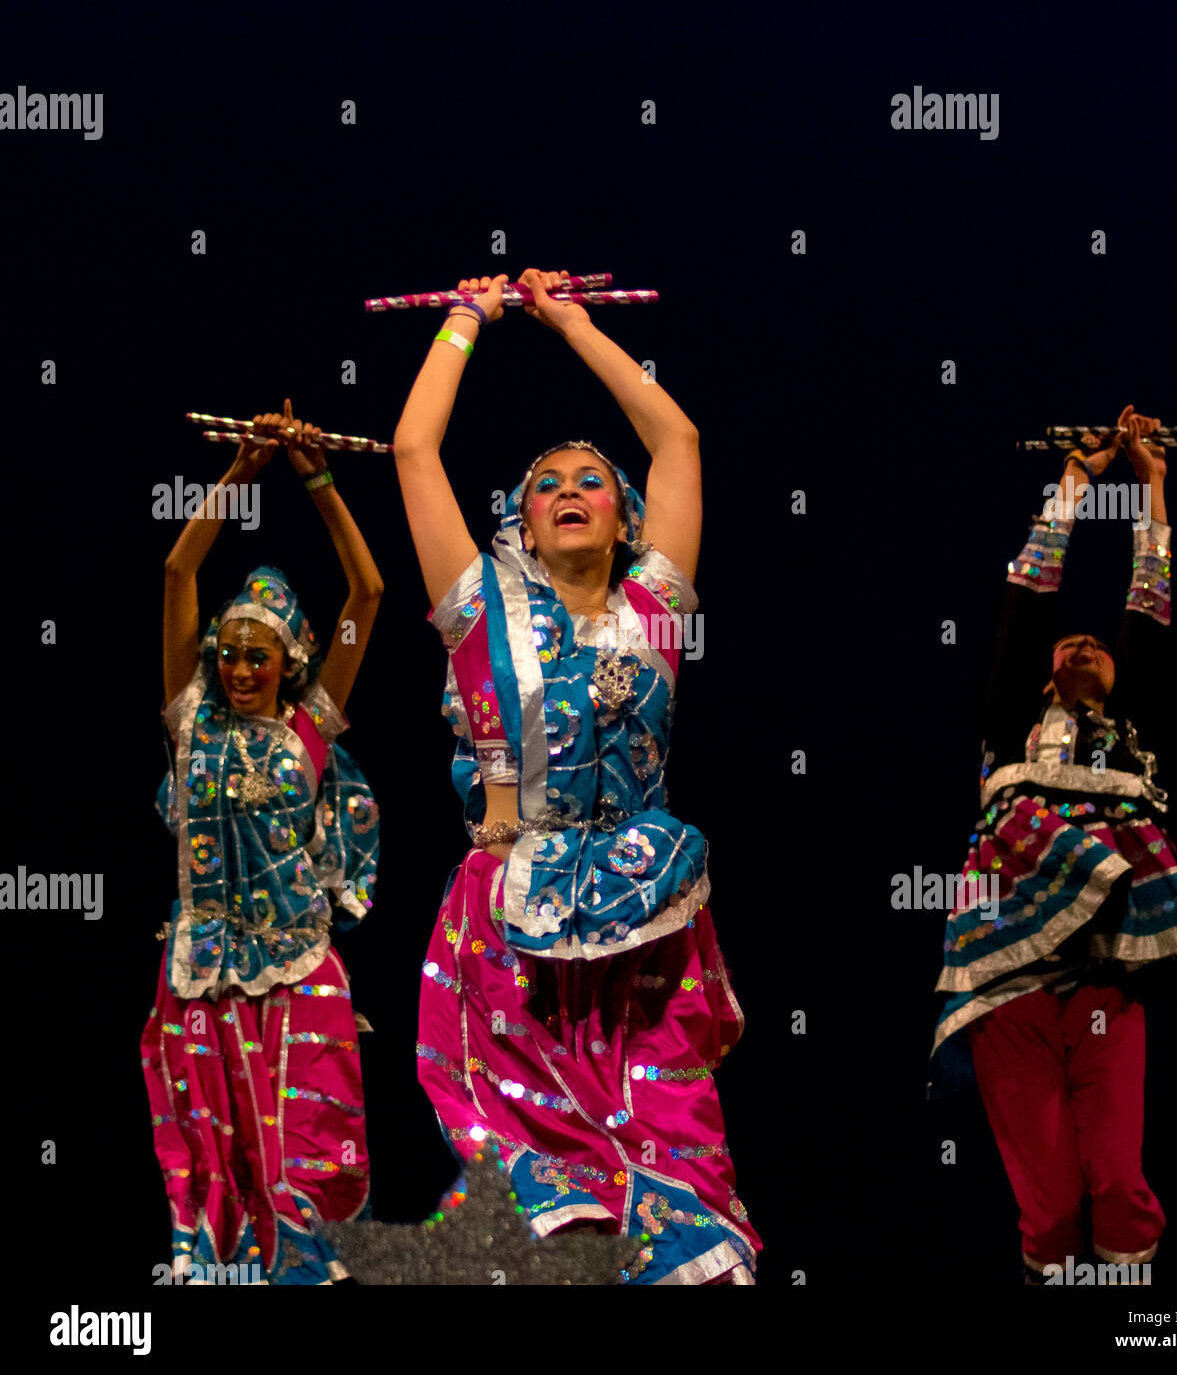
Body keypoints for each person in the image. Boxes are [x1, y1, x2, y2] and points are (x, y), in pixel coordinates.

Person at [392, 269, 759, 1284]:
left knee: (677, 1173)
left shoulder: (655, 610)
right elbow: (415, 449)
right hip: (508, 921)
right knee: (555, 1214)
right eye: (544, 483)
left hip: (649, 915)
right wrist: (467, 320)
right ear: (517, 520)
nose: (565, 492)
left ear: (627, 516)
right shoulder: (476, 609)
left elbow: (676, 441)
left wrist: (569, 323)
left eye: (589, 478)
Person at [928, 405, 1177, 1285]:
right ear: (1044, 674)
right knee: (1047, 1206)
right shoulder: (1013, 727)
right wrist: (1077, 485)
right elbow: (1028, 597)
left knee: (1118, 1179)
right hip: (1006, 973)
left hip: (1104, 977)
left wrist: (1152, 483)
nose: (1084, 642)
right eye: (1067, 645)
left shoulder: (1139, 732)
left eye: (1099, 645)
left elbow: (1149, 607)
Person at [142, 402, 383, 1284]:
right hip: (203, 974)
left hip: (298, 972)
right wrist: (241, 474)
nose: (243, 670)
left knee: (298, 1165)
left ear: (289, 665)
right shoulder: (190, 726)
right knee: (217, 1171)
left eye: (261, 657)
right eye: (231, 654)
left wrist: (316, 479)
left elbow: (368, 594)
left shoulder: (307, 734)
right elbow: (178, 570)